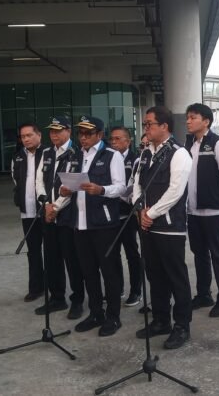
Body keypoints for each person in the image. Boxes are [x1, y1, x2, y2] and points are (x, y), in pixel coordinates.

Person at [59, 116, 127, 336]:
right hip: (80, 223)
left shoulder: (111, 155)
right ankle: (96, 312)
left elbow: (121, 188)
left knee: (109, 271)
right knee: (88, 271)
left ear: (99, 135)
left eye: (88, 133)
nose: (84, 138)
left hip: (103, 224)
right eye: (81, 133)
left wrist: (102, 190)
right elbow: (71, 183)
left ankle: (113, 316)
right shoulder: (76, 155)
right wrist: (65, 190)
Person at [132, 106, 193, 350]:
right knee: (154, 275)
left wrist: (151, 213)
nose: (145, 128)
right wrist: (139, 210)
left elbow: (176, 191)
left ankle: (182, 325)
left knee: (175, 277)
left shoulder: (179, 154)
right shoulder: (147, 152)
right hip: (147, 225)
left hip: (169, 227)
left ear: (164, 126)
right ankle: (160, 319)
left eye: (149, 124)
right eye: (145, 124)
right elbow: (136, 183)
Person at [184, 103, 219, 317]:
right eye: (187, 117)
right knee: (199, 255)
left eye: (193, 117)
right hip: (192, 212)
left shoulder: (217, 143)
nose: (188, 121)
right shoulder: (189, 145)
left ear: (206, 121)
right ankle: (204, 294)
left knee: (217, 255)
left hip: (213, 212)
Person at [35, 116, 85, 319]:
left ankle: (78, 300)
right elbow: (39, 180)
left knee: (72, 260)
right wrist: (45, 204)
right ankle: (57, 298)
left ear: (68, 131)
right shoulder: (46, 152)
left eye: (59, 130)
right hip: (47, 214)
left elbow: (72, 187)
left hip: (67, 215)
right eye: (51, 131)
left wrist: (55, 207)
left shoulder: (77, 153)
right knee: (52, 258)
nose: (54, 134)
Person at [108, 126, 143, 307]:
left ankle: (136, 291)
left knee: (131, 253)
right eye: (112, 139)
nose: (113, 142)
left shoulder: (136, 160)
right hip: (111, 215)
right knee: (112, 255)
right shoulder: (106, 158)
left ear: (127, 141)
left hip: (129, 215)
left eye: (118, 139)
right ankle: (117, 288)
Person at [11, 123, 45, 303]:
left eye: (29, 135)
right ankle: (36, 287)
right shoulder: (18, 157)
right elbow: (16, 182)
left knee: (52, 252)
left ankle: (55, 289)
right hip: (27, 212)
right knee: (33, 251)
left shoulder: (48, 154)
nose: (26, 139)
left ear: (39, 135)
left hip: (46, 211)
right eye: (23, 136)